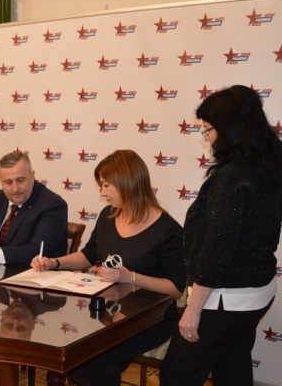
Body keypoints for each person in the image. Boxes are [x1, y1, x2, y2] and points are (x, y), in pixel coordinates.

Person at [160, 85, 282, 386]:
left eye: (208, 130)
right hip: (257, 292)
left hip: (224, 299)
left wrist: (193, 309)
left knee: (176, 376)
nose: (207, 138)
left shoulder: (232, 176)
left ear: (229, 128)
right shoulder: (270, 162)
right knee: (233, 366)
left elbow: (218, 248)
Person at [32, 149, 185, 386]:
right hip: (108, 310)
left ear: (127, 182)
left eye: (106, 185)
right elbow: (89, 255)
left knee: (96, 361)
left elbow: (175, 288)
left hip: (151, 318)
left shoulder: (167, 230)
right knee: (75, 351)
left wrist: (130, 277)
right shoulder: (108, 215)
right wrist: (56, 262)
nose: (102, 193)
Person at [0, 151, 68, 385]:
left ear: (33, 175)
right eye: (8, 182)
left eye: (20, 180)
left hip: (37, 289)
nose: (15, 188)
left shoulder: (52, 204)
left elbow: (37, 251)